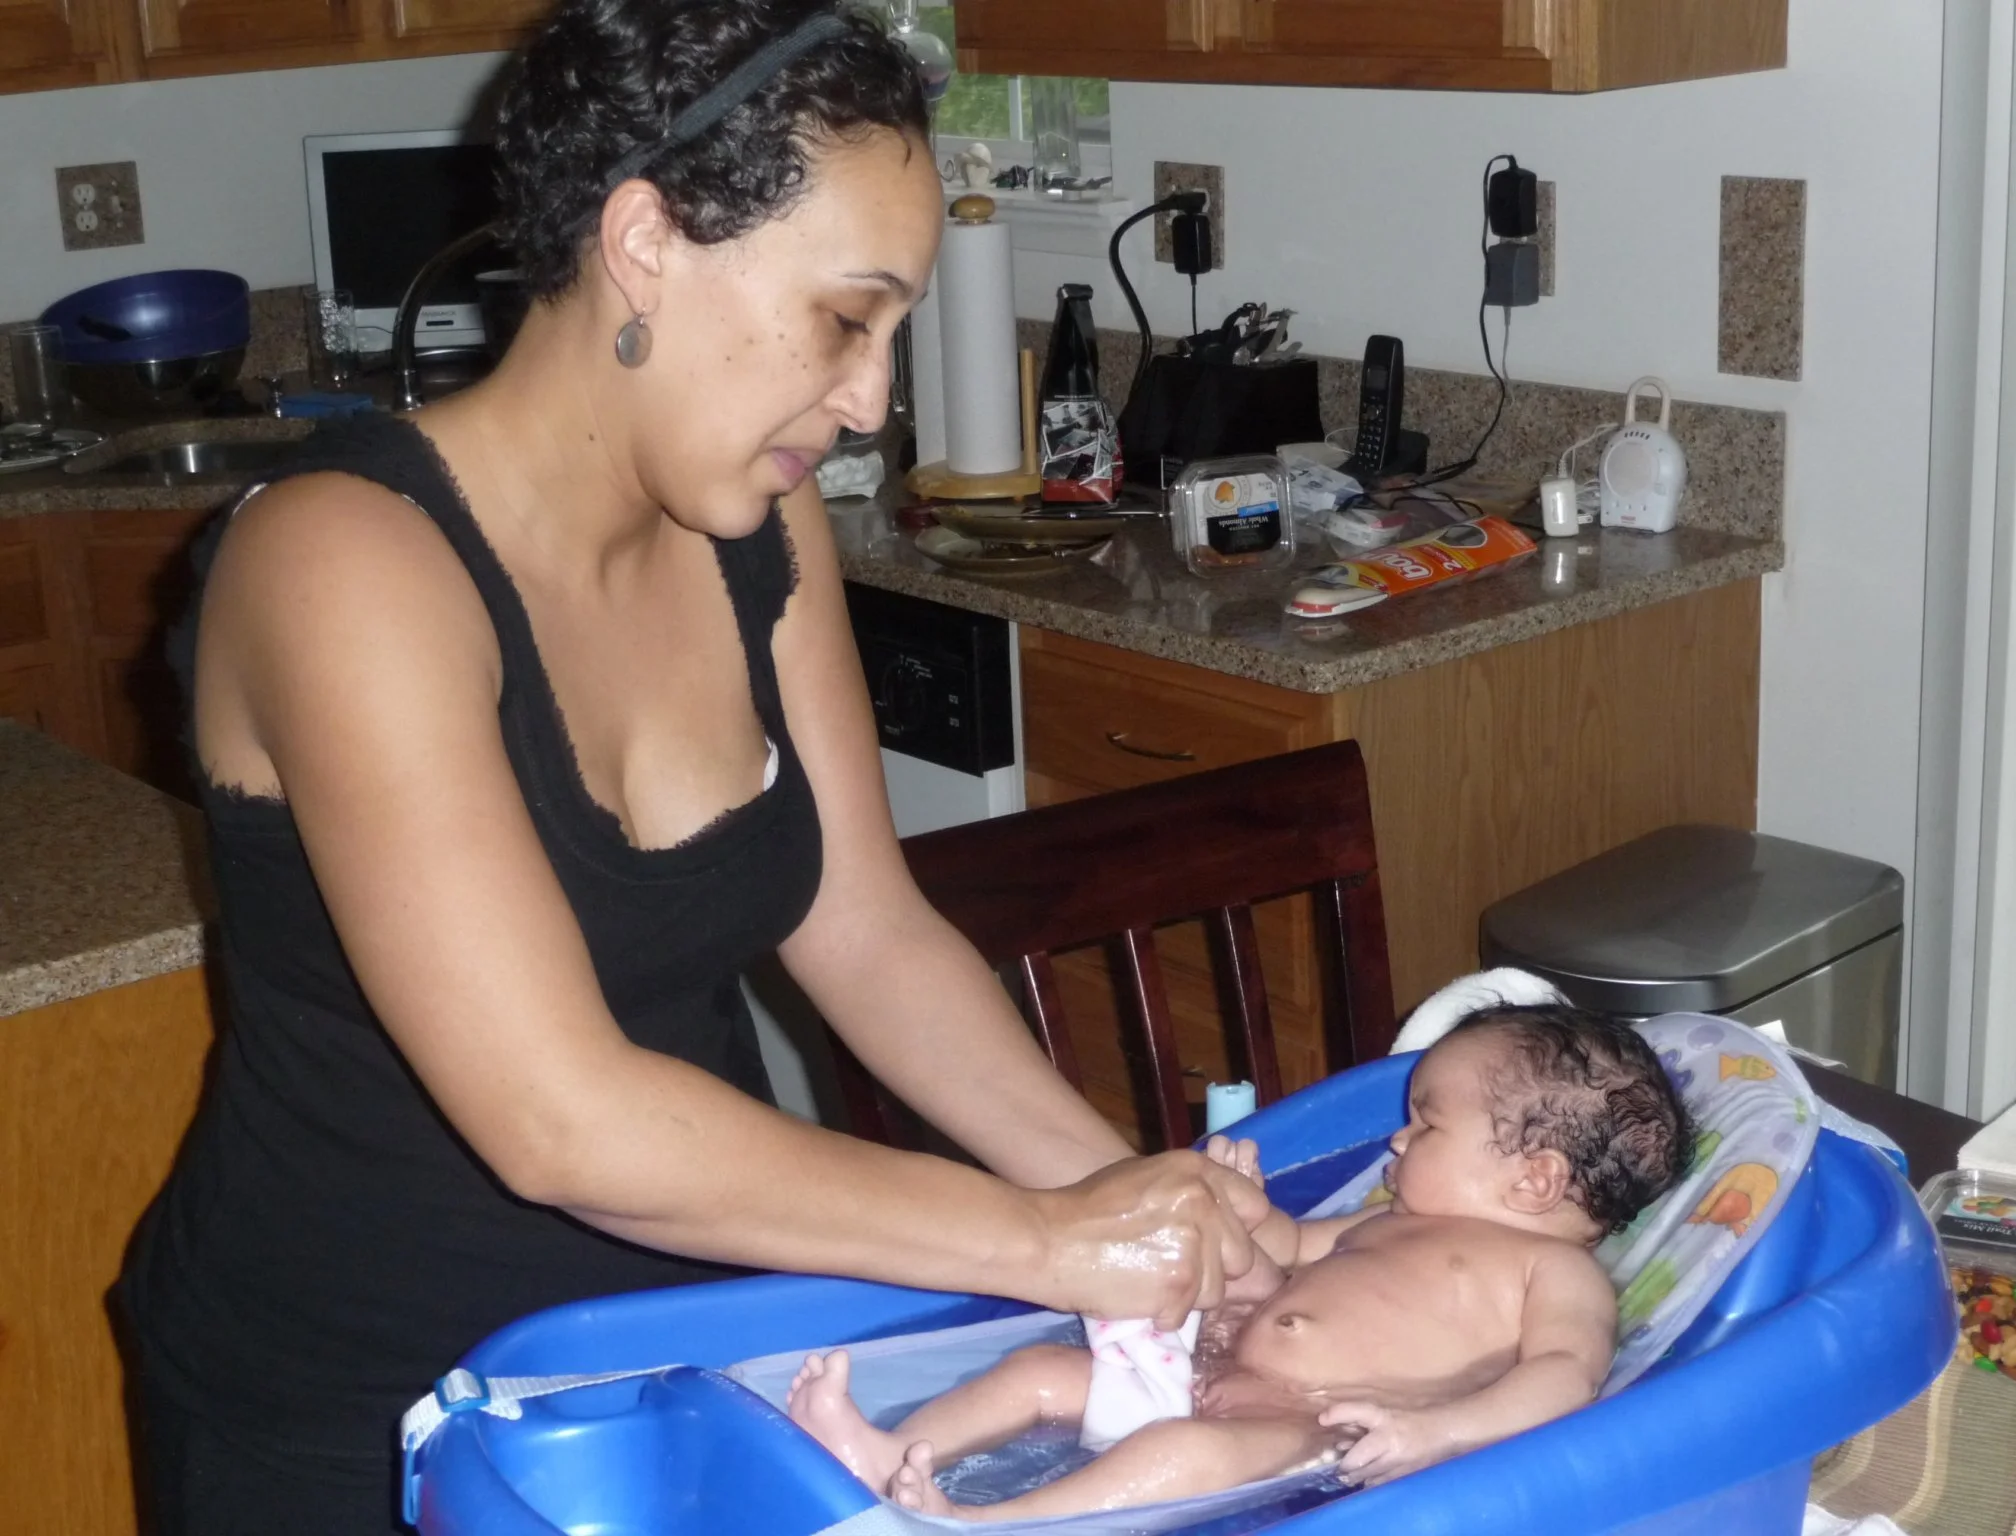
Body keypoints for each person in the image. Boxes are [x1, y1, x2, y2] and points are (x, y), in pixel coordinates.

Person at [115, 5, 1264, 1532]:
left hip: (692, 1362)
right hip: (352, 1417)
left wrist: (1148, 1213)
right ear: (646, 241)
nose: (871, 399)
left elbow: (864, 930)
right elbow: (563, 1119)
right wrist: (1042, 1246)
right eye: (847, 318)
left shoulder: (756, 527)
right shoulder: (345, 564)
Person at [788, 1004, 1692, 1520]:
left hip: (1312, 1428)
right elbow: (1285, 1255)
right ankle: (887, 1453)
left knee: (1186, 1453)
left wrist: (1437, 1432)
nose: (1395, 1136)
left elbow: (1566, 1378)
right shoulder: (1389, 1220)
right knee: (1038, 1370)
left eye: (1426, 1122)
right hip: (1198, 1369)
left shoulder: (1554, 1278)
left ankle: (988, 1522)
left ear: (1534, 1179)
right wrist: (1249, 1211)